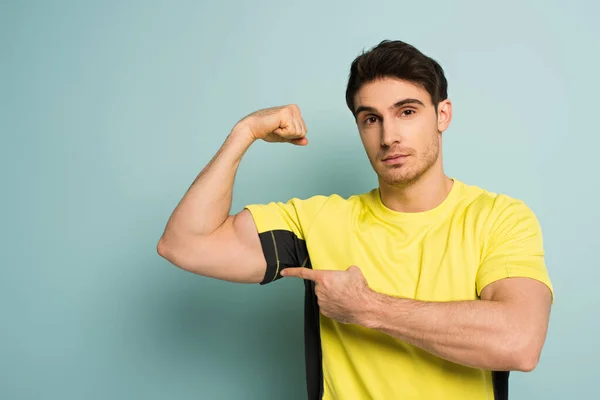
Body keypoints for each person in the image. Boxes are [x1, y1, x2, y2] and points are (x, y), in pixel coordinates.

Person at [157, 40, 553, 400]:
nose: (388, 136)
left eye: (407, 111)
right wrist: (244, 133)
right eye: (370, 118)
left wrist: (369, 308)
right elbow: (184, 244)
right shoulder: (316, 222)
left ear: (442, 114)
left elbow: (520, 341)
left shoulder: (499, 218)